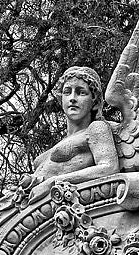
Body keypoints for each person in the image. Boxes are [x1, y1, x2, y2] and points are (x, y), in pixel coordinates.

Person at [25, 66, 119, 202]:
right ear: (60, 99)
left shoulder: (96, 128)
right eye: (67, 92)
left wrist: (53, 182)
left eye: (81, 93)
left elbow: (109, 167)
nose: (72, 98)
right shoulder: (62, 142)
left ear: (95, 103)